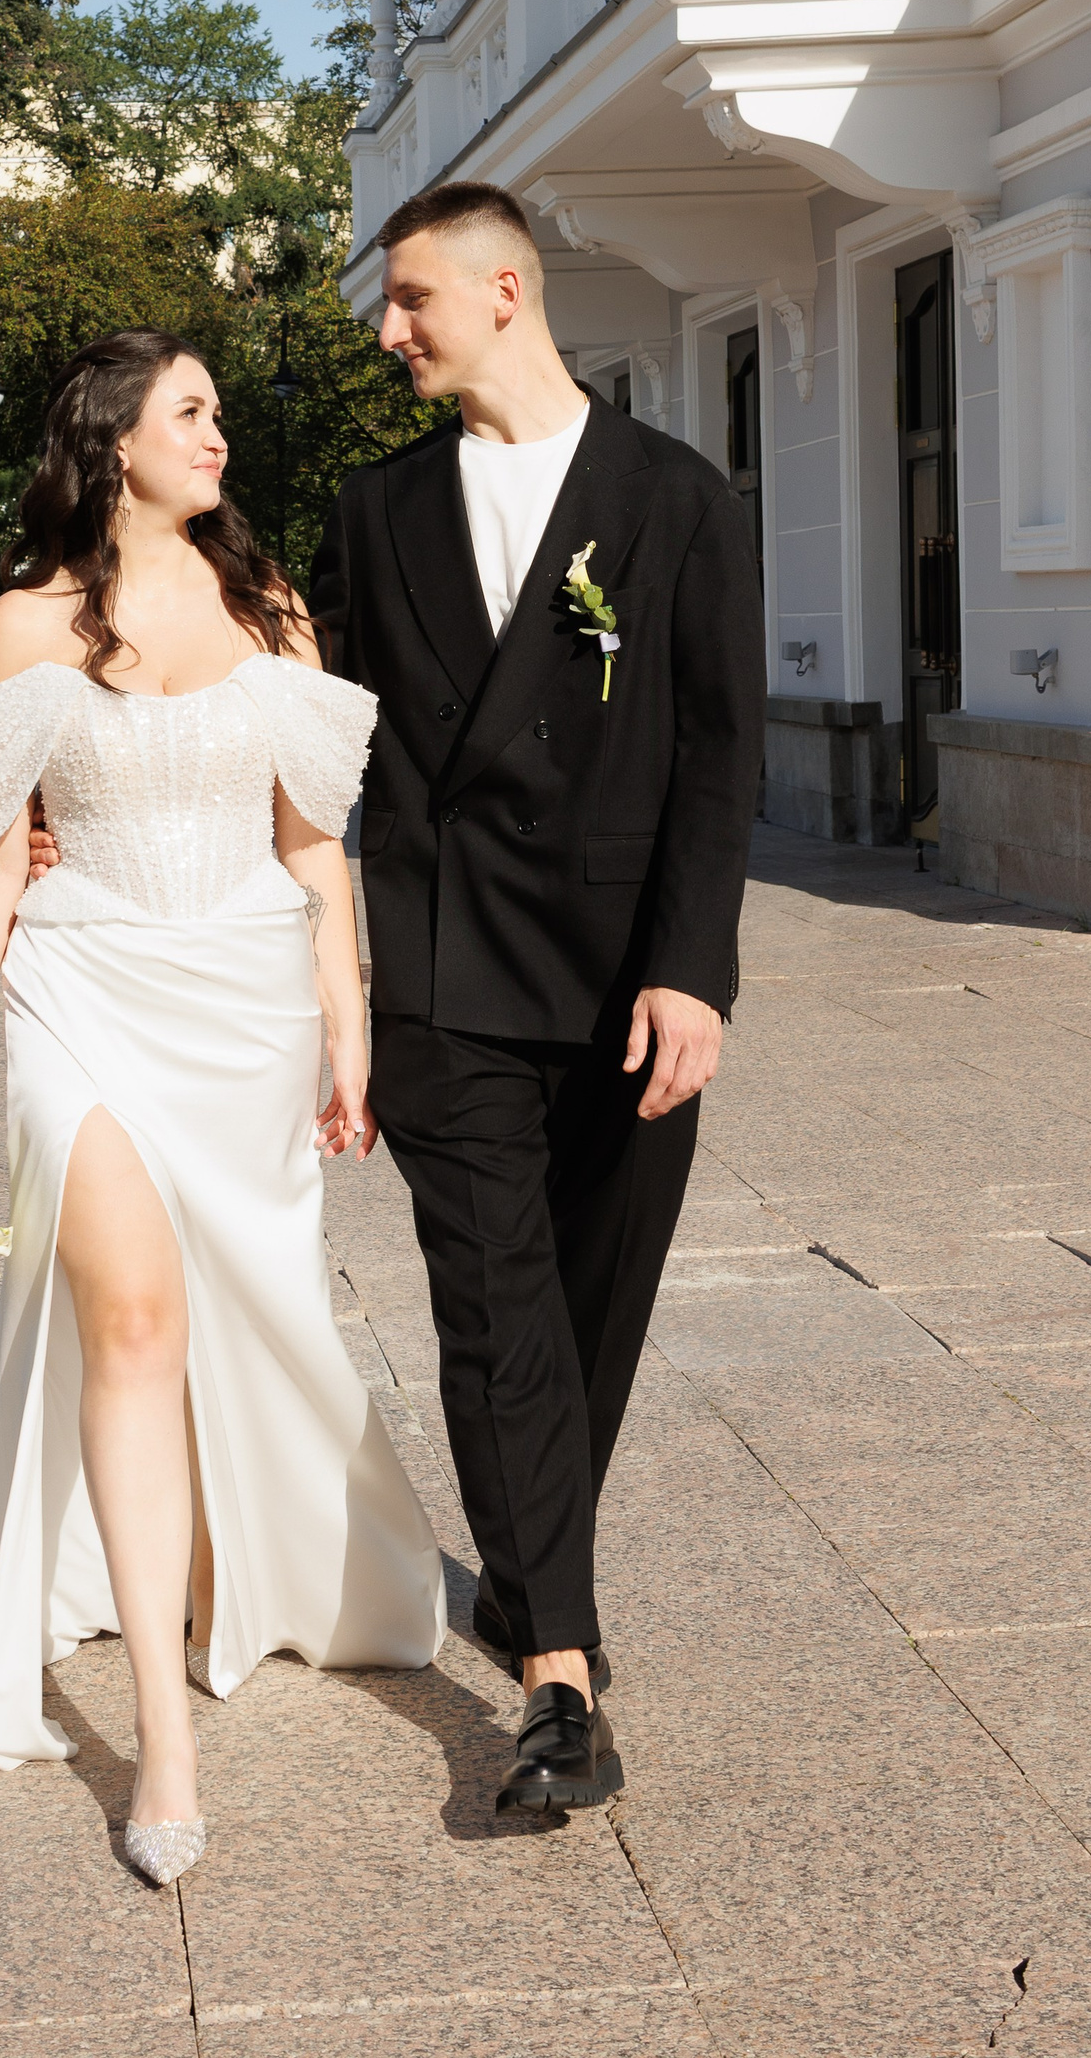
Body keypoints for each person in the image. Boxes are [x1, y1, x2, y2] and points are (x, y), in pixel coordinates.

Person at [0, 330, 444, 1891]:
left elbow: (313, 844)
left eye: (215, 413)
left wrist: (350, 1025)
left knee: (247, 1311)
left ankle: (245, 1562)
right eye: (190, 412)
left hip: (246, 1005)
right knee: (134, 1321)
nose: (218, 436)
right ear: (114, 440)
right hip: (79, 994)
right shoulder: (24, 626)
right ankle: (162, 1734)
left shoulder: (268, 609)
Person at [310, 181, 766, 1817]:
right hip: (444, 974)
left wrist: (693, 969)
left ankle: (523, 1575)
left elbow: (720, 753)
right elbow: (304, 725)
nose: (390, 330)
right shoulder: (375, 510)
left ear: (504, 290)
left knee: (585, 1317)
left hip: (625, 979)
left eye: (411, 299)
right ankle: (558, 1679)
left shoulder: (677, 497)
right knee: (497, 1315)